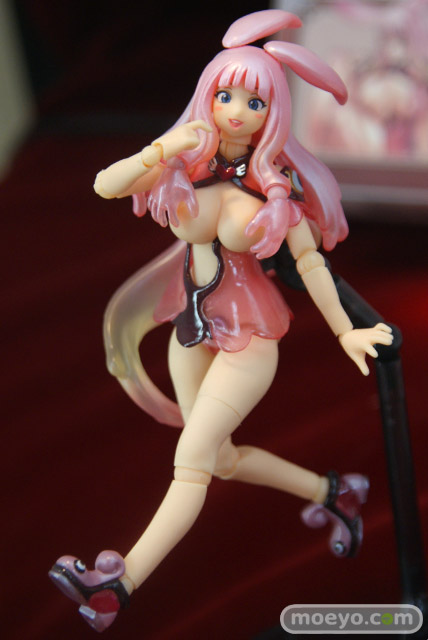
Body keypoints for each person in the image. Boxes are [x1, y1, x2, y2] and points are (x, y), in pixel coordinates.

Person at [49, 10, 393, 632]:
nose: (236, 111)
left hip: (249, 341)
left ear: (273, 112)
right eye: (224, 95)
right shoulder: (186, 160)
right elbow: (104, 185)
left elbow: (310, 264)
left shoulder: (276, 190)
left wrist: (346, 329)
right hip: (191, 331)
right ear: (207, 96)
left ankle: (116, 584)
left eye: (254, 101)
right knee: (222, 458)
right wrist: (164, 148)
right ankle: (334, 492)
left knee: (192, 458)